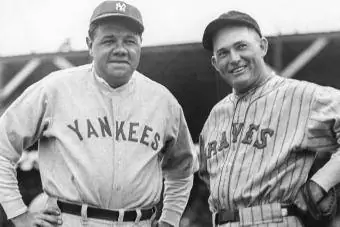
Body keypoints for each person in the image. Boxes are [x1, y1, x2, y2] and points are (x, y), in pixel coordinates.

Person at [0, 1, 195, 226]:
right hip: (71, 220)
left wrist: (170, 219)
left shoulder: (164, 101)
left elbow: (182, 169)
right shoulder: (54, 89)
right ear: (90, 45)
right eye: (109, 40)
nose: (121, 49)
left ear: (140, 44)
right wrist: (19, 215)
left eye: (130, 41)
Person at [198, 10, 340, 227]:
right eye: (224, 53)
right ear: (215, 63)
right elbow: (207, 176)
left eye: (241, 46)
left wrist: (320, 183)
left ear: (263, 46)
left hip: (274, 219)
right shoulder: (215, 115)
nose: (234, 58)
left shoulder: (301, 96)